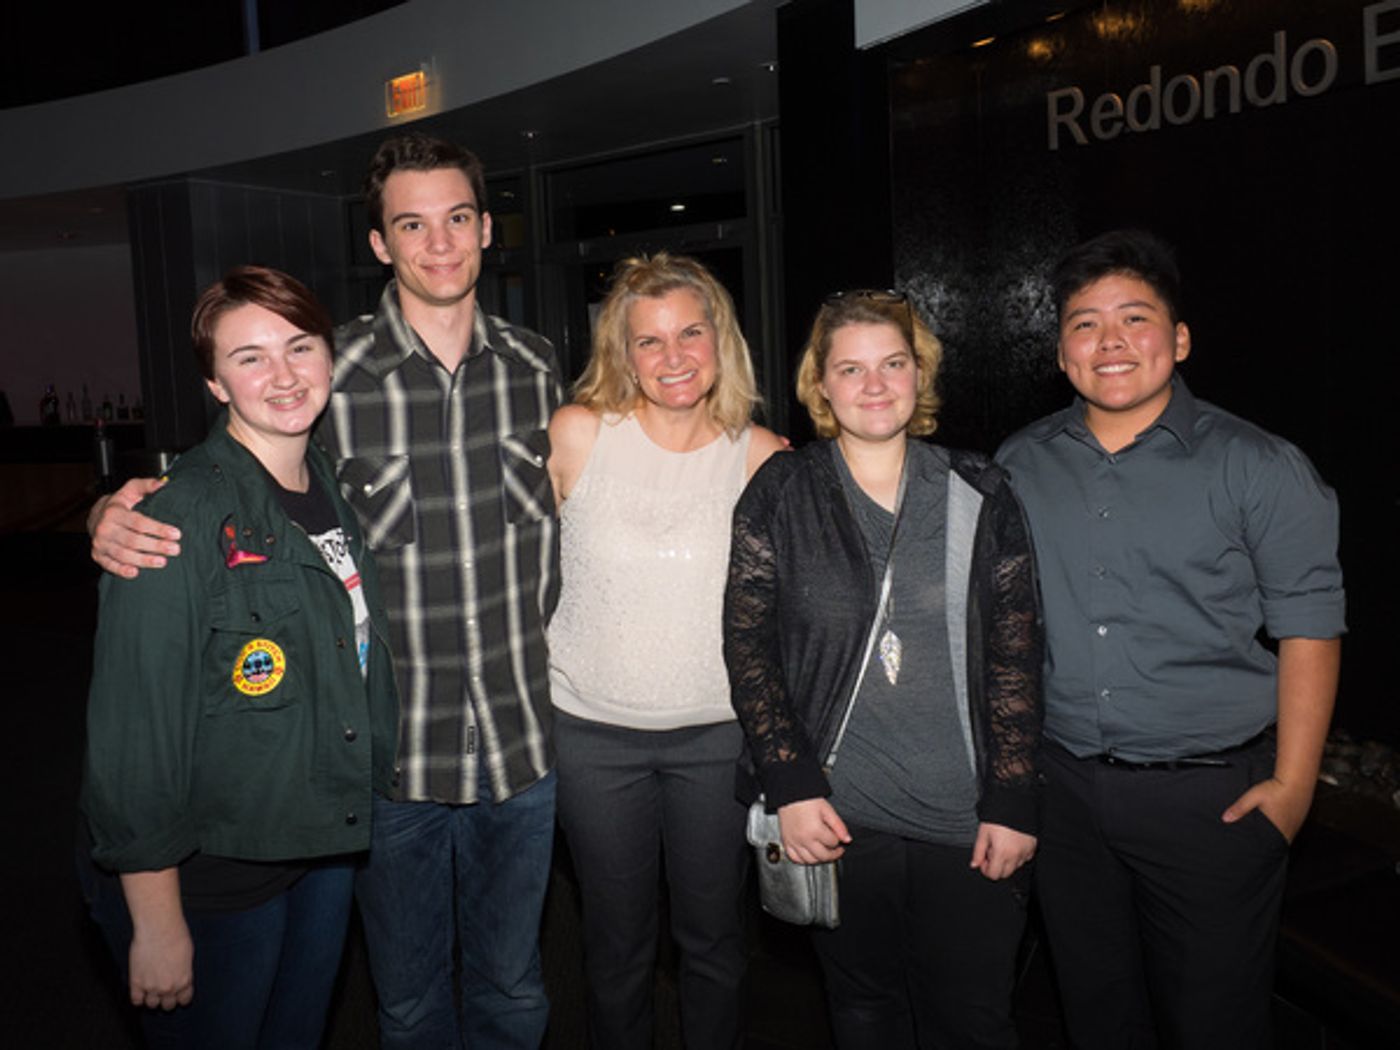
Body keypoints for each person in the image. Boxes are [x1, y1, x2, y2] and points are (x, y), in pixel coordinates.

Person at [87, 133, 562, 1049]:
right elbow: (230, 490)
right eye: (411, 224)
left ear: (488, 228)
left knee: (517, 993)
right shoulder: (329, 381)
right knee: (410, 1007)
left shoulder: (540, 370)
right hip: (383, 767)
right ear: (379, 243)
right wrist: (116, 511)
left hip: (519, 747)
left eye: (458, 218)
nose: (439, 243)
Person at [995, 229, 1346, 1050]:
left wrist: (1293, 791)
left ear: (1179, 339)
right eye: (1084, 324)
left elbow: (1311, 625)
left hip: (1210, 803)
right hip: (1066, 792)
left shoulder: (1258, 465)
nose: (1109, 342)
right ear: (1060, 350)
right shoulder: (1019, 463)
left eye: (1134, 319)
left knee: (1214, 1024)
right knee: (1094, 1013)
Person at [81, 266, 399, 1049]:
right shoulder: (176, 518)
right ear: (216, 383)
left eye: (299, 346)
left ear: (330, 355)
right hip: (215, 871)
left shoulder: (330, 481)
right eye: (249, 357)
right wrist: (155, 925)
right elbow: (134, 739)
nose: (283, 375)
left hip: (320, 840)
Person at [724, 290, 1043, 1049]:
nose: (874, 384)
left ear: (919, 373)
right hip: (840, 818)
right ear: (821, 386)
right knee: (863, 1013)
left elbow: (1017, 649)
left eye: (893, 364)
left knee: (972, 1022)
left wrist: (1015, 798)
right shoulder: (782, 491)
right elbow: (749, 643)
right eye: (851, 368)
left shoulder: (980, 488)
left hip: (965, 822)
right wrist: (789, 784)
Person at [546, 253, 785, 1049]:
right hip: (591, 738)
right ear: (623, 352)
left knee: (714, 946)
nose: (672, 356)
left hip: (719, 740)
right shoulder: (577, 435)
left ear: (722, 341)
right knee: (615, 950)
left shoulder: (762, 457)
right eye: (648, 341)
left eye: (690, 333)